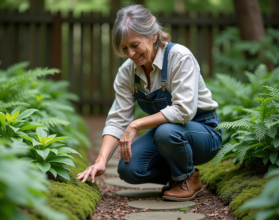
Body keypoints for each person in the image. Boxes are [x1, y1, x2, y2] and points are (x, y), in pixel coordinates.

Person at [77, 4, 222, 201]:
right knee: (129, 169)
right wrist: (100, 161)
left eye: (135, 45)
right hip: (167, 135)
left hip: (203, 133)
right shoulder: (126, 73)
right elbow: (118, 119)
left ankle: (187, 178)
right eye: (124, 48)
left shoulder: (179, 57)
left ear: (153, 35)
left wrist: (135, 124)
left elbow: (183, 111)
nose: (130, 54)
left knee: (166, 132)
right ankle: (178, 176)